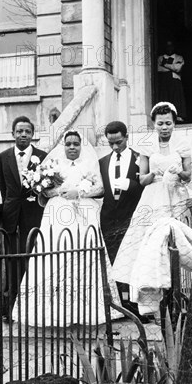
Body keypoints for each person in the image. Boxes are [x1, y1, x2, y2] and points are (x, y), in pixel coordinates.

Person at [13, 130, 121, 326]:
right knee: (55, 254)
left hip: (83, 215)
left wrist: (78, 191)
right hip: (57, 214)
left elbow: (101, 189)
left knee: (84, 256)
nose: (72, 147)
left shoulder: (88, 164)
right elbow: (43, 189)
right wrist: (58, 191)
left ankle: (85, 311)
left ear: (81, 146)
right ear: (64, 146)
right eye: (69, 144)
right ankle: (53, 311)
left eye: (76, 144)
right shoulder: (54, 164)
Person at [112, 102, 192, 316]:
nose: (164, 127)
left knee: (176, 240)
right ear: (154, 124)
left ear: (174, 123)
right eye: (160, 124)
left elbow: (189, 176)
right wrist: (155, 174)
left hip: (175, 193)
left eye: (168, 123)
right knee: (151, 242)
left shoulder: (183, 144)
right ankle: (155, 294)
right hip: (154, 196)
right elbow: (143, 179)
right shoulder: (147, 146)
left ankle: (181, 294)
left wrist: (178, 172)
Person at [0, 116, 47, 305]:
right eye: (19, 131)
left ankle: (33, 303)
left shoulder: (43, 156)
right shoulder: (3, 157)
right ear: (13, 134)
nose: (23, 135)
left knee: (33, 256)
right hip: (11, 215)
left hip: (34, 214)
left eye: (27, 131)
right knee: (12, 258)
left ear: (32, 134)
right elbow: (3, 189)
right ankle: (12, 305)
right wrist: (9, 208)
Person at [99, 121, 144, 310]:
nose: (115, 147)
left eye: (119, 142)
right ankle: (119, 305)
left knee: (133, 262)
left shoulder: (140, 158)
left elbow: (147, 184)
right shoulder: (102, 162)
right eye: (111, 143)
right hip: (109, 220)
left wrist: (130, 185)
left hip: (132, 218)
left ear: (127, 137)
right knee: (113, 262)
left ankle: (135, 305)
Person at [157, 41, 187, 122]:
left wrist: (165, 65)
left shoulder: (179, 57)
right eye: (167, 46)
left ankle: (178, 116)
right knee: (165, 99)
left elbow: (178, 68)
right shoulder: (161, 58)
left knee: (176, 98)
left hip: (175, 81)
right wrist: (172, 67)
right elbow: (159, 69)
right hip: (164, 81)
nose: (169, 48)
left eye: (171, 46)